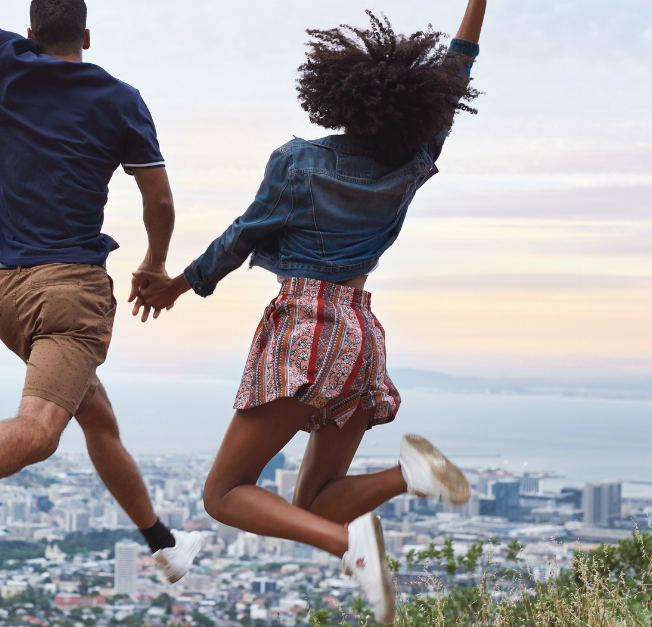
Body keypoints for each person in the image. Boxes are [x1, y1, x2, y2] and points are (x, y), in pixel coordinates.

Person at [131, 1, 487, 621]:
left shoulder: (298, 162)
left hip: (308, 330)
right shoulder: (414, 160)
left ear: (339, 95)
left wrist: (176, 286)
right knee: (315, 502)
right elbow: (455, 74)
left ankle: (347, 548)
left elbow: (241, 236)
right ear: (418, 104)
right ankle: (408, 474)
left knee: (223, 494)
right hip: (361, 335)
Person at [0, 0, 202, 593]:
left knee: (98, 418)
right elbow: (159, 200)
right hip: (69, 297)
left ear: (32, 33)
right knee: (40, 429)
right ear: (86, 33)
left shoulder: (3, 58)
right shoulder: (120, 99)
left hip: (6, 298)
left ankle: (163, 544)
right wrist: (155, 262)